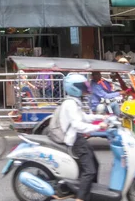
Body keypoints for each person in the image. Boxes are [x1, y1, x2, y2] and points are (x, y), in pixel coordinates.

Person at [60, 73, 107, 201]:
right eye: (82, 86)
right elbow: (78, 125)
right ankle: (81, 198)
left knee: (95, 165)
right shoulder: (70, 104)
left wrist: (101, 117)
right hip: (75, 140)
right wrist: (98, 127)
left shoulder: (74, 102)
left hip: (79, 138)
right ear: (74, 87)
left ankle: (91, 194)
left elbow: (84, 117)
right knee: (90, 171)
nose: (85, 88)